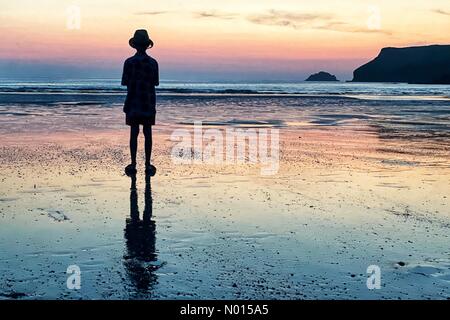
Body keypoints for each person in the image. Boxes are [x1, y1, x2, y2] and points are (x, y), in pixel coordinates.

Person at [122, 29, 159, 176]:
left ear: (135, 45)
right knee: (148, 133)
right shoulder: (153, 63)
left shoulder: (129, 62)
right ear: (146, 45)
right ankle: (148, 164)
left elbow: (125, 82)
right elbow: (155, 82)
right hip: (148, 102)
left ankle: (133, 163)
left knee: (133, 133)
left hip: (133, 101)